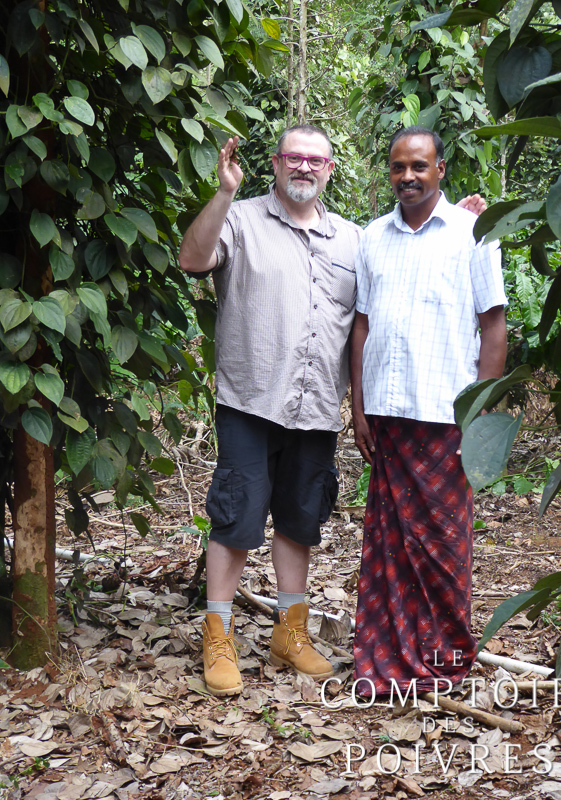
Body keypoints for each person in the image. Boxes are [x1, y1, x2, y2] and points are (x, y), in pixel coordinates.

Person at [178, 125, 361, 696]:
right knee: (235, 519)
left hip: (316, 407)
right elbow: (192, 258)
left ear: (330, 169)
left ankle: (291, 631)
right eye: (294, 158)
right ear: (276, 165)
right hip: (251, 400)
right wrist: (224, 192)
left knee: (300, 519)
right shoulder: (243, 218)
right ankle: (219, 635)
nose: (304, 168)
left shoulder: (352, 240)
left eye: (316, 160)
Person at [351, 126, 507, 695]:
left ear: (440, 169)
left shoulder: (473, 232)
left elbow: (493, 324)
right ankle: (385, 659)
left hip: (446, 416)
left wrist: (482, 414)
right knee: (390, 546)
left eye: (419, 166)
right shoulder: (372, 238)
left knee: (443, 546)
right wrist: (360, 407)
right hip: (389, 417)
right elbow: (362, 325)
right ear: (388, 173)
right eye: (398, 167)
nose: (408, 177)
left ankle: (442, 661)